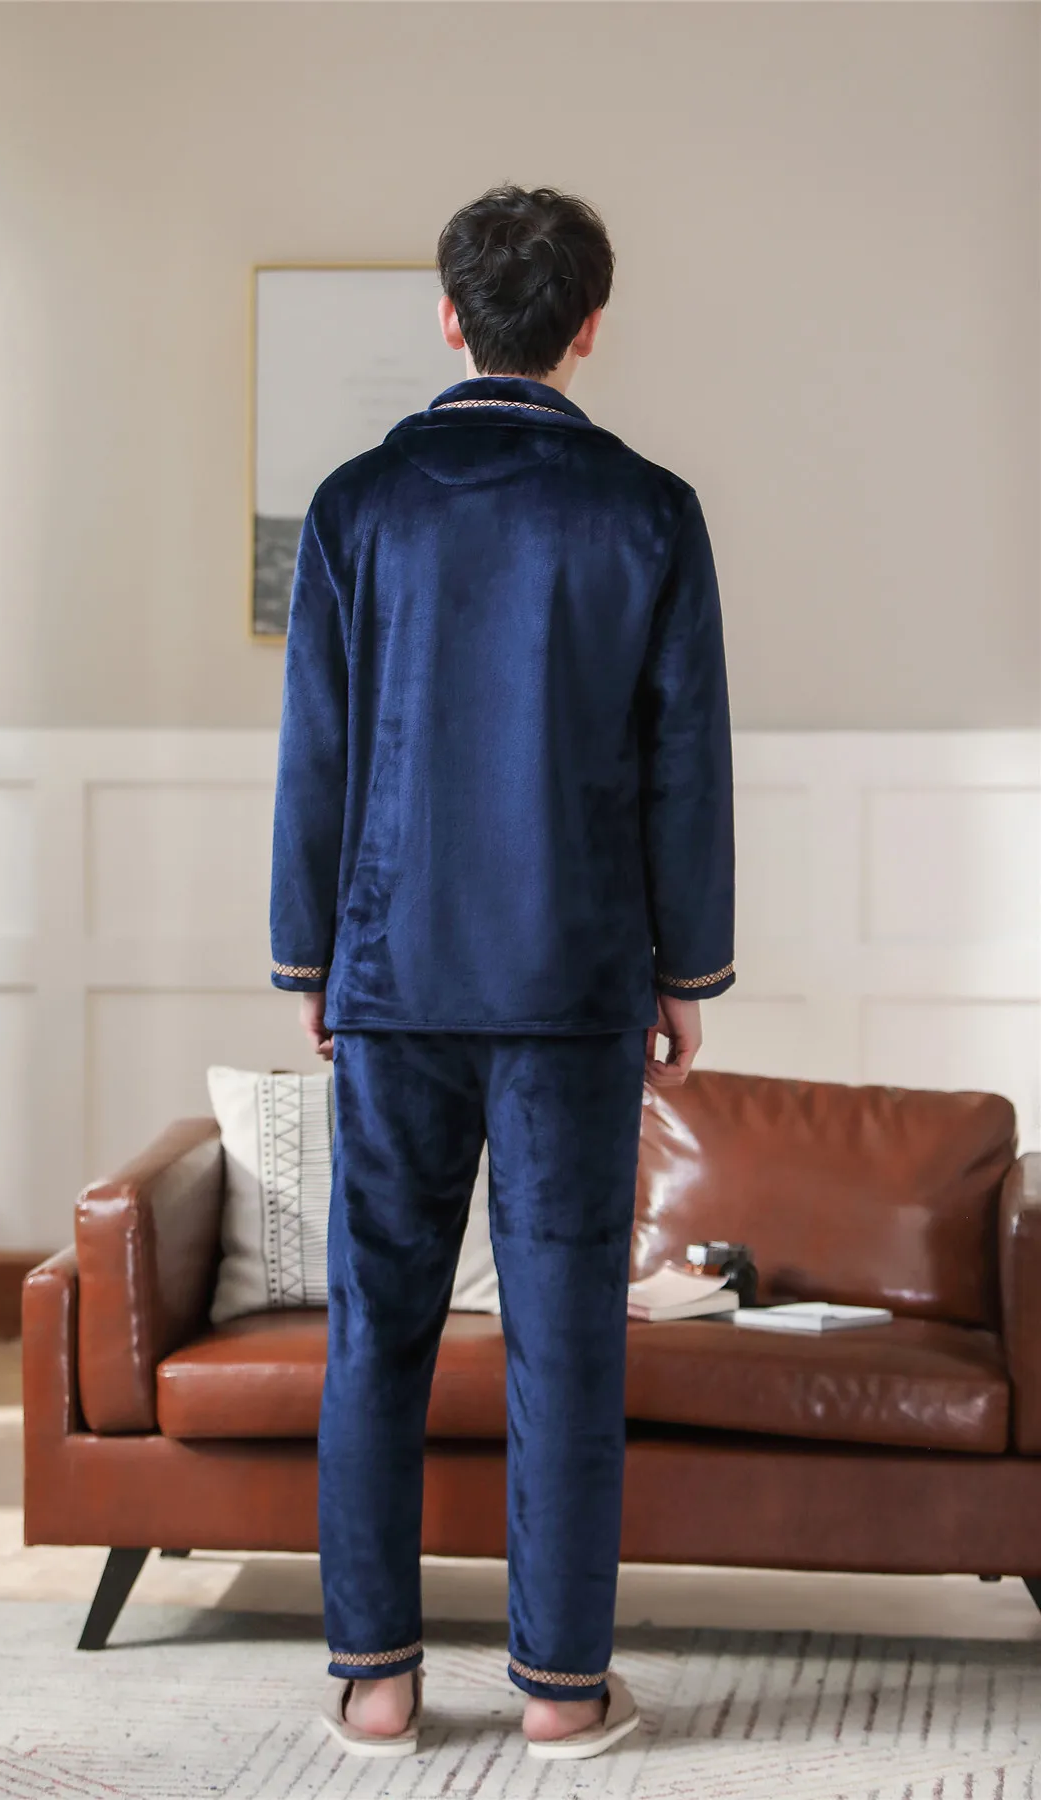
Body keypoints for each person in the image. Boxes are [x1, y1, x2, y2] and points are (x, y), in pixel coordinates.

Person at [269, 184, 735, 1761]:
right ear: (589, 326)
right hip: (576, 983)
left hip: (392, 973)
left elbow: (318, 756)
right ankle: (559, 1691)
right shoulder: (650, 511)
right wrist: (689, 969)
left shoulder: (356, 505)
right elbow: (685, 762)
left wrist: (309, 960)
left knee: (376, 1327)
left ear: (449, 316)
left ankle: (375, 1681)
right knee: (567, 1334)